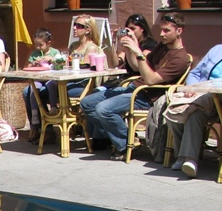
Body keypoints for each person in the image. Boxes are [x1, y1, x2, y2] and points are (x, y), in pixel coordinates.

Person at [79, 13, 190, 160]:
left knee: (103, 109)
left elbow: (150, 80)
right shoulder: (162, 47)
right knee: (86, 103)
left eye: (166, 31)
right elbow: (138, 67)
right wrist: (129, 48)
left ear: (179, 31)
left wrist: (138, 52)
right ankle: (127, 137)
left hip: (147, 95)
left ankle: (125, 145)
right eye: (161, 30)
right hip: (135, 87)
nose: (161, 34)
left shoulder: (180, 58)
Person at [165, 18, 222, 178]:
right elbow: (195, 73)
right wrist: (191, 88)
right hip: (200, 98)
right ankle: (188, 159)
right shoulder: (217, 50)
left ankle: (184, 156)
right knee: (194, 114)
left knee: (185, 108)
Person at [20, 27, 60, 142]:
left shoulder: (54, 52)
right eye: (36, 45)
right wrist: (34, 63)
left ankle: (53, 109)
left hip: (51, 79)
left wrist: (51, 60)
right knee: (32, 90)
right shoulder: (35, 53)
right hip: (38, 79)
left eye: (40, 45)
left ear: (48, 43)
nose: (38, 47)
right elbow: (27, 67)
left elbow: (61, 63)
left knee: (51, 85)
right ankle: (35, 120)